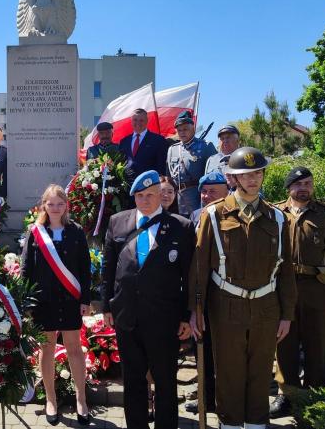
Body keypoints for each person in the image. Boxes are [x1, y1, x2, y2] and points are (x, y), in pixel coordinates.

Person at [189, 147, 297, 429]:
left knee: (261, 372)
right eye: (246, 174)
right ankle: (231, 424)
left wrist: (287, 314)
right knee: (229, 372)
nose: (253, 179)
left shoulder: (278, 218)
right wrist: (196, 310)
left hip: (266, 306)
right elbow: (199, 268)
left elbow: (286, 270)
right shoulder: (213, 215)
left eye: (258, 173)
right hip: (227, 305)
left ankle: (256, 424)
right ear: (234, 178)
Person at [102, 170, 195, 429]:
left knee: (165, 381)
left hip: (163, 318)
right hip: (126, 316)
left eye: (150, 195)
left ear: (161, 196)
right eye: (139, 195)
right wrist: (107, 305)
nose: (144, 200)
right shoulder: (118, 222)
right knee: (133, 381)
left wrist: (187, 315)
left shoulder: (181, 226)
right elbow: (108, 268)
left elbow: (188, 275)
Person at [269, 166, 325, 416]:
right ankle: (288, 394)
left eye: (308, 183)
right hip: (283, 289)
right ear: (289, 188)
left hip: (317, 289)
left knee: (317, 343)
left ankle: (316, 395)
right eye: (298, 183)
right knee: (285, 343)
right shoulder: (275, 214)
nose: (303, 188)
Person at [22, 185, 92, 425]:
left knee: (74, 348)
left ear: (66, 206)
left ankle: (81, 399)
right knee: (47, 349)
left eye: (59, 204)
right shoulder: (35, 233)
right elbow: (26, 270)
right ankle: (50, 400)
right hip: (44, 302)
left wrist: (85, 299)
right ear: (44, 205)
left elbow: (85, 268)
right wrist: (27, 303)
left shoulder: (77, 232)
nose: (55, 208)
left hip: (70, 301)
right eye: (50, 204)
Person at [183, 169, 229, 416]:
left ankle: (225, 400)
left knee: (225, 352)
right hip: (200, 294)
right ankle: (206, 398)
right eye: (203, 191)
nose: (206, 195)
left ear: (226, 192)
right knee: (202, 349)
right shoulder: (195, 216)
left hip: (226, 294)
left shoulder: (231, 216)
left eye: (213, 191)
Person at [166, 111, 217, 217]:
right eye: (179, 130)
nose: (182, 132)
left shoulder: (206, 146)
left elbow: (214, 176)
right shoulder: (172, 149)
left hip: (197, 199)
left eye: (185, 129)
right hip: (176, 200)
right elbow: (168, 177)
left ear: (193, 128)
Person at [118, 109, 167, 180]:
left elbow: (162, 164)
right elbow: (121, 163)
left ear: (147, 121)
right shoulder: (124, 141)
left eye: (141, 120)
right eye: (135, 120)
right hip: (128, 184)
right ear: (131, 121)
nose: (138, 123)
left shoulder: (158, 140)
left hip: (149, 183)